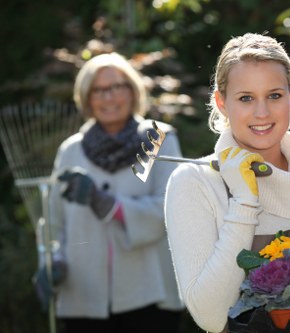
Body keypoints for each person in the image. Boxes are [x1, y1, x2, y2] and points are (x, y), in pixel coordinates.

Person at [164, 33, 290, 333]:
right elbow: (211, 317)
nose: (262, 112)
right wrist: (243, 201)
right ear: (221, 101)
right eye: (246, 98)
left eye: (274, 95)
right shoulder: (195, 183)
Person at [38, 52, 185, 333]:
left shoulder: (157, 139)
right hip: (83, 298)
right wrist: (51, 262)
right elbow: (54, 224)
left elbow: (171, 210)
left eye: (118, 87)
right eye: (99, 90)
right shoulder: (71, 150)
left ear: (132, 91)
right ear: (87, 97)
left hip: (149, 296)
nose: (109, 97)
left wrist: (106, 204)